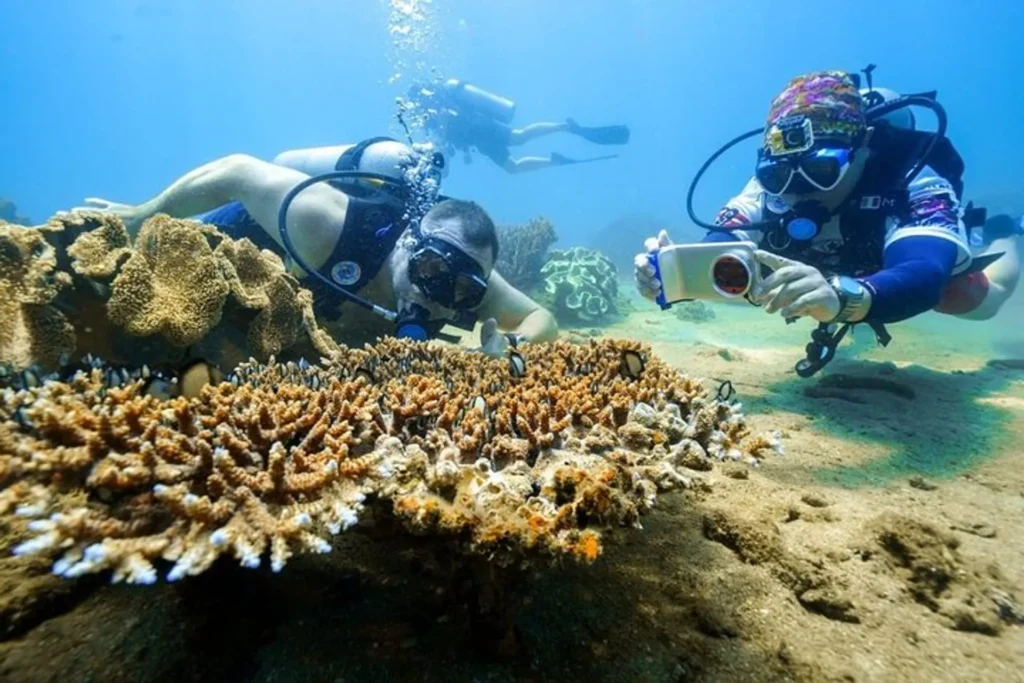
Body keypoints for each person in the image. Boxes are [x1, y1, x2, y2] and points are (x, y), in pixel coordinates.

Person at [67, 138, 558, 355]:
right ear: (410, 243)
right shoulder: (326, 223)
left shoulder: (464, 276)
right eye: (429, 269)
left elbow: (544, 320)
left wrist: (510, 346)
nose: (436, 297)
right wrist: (142, 214)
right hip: (247, 239)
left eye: (462, 293)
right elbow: (238, 170)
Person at [635, 70, 1020, 336]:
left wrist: (844, 298)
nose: (797, 189)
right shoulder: (762, 187)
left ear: (862, 150)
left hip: (893, 262)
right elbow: (719, 248)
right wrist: (672, 274)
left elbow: (924, 270)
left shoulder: (911, 174)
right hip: (837, 276)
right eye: (778, 176)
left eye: (818, 171)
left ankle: (1006, 234)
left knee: (975, 301)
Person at [408, 79, 630, 174]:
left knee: (518, 137)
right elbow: (445, 141)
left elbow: (449, 121)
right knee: (512, 167)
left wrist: (443, 132)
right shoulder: (432, 114)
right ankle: (554, 160)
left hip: (480, 126)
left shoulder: (439, 104)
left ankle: (564, 127)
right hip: (478, 140)